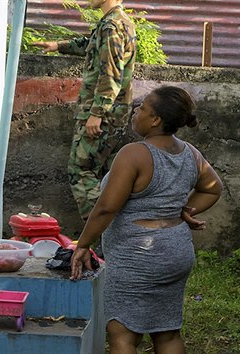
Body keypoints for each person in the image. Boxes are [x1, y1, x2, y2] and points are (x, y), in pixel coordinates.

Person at [69, 86, 223, 354]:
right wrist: (187, 210)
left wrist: (83, 244)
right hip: (176, 250)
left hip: (137, 257)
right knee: (167, 333)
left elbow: (106, 208)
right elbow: (213, 188)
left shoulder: (134, 154)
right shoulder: (190, 153)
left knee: (122, 334)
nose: (135, 112)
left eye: (142, 108)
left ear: (155, 120)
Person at [32, 0, 137, 250]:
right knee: (105, 177)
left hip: (104, 114)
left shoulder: (112, 26)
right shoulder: (118, 22)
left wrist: (97, 113)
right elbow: (93, 48)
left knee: (80, 171)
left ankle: (102, 239)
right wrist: (59, 45)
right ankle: (112, 238)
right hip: (114, 113)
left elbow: (110, 73)